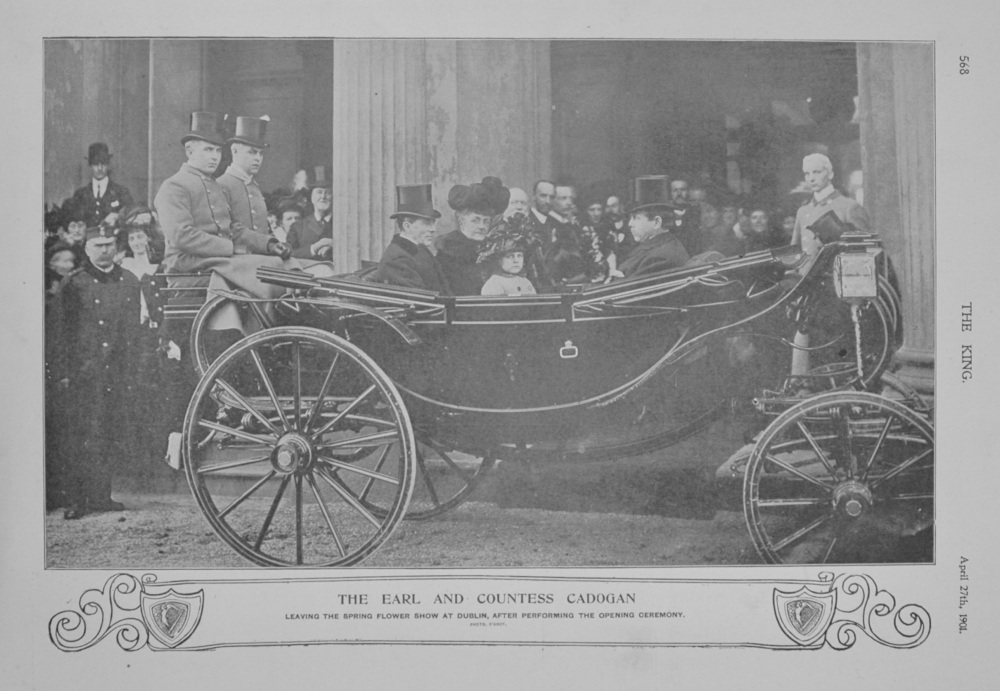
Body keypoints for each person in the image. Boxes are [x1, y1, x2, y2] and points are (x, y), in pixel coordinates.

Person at [153, 111, 295, 333]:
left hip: (215, 261)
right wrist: (229, 248)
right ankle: (262, 331)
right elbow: (182, 235)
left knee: (278, 264)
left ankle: (272, 328)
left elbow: (232, 229)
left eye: (218, 150)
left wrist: (268, 244)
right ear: (189, 151)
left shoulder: (213, 185)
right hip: (188, 266)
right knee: (266, 269)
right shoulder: (174, 186)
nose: (215, 157)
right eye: (208, 150)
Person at [46, 225, 142, 518]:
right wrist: (62, 372)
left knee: (108, 432)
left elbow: (133, 332)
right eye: (97, 245)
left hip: (115, 372)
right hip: (83, 372)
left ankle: (101, 496)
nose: (104, 250)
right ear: (87, 249)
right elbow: (59, 332)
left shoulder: (129, 280)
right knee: (80, 435)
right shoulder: (74, 283)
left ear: (116, 246)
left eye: (109, 244)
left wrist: (132, 370)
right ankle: (76, 500)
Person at [435, 176, 510, 295]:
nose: (482, 226)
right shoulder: (448, 253)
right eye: (475, 220)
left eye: (486, 221)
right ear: (461, 221)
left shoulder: (493, 249)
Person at [791, 153, 871, 259]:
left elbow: (863, 253)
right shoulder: (803, 211)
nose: (811, 178)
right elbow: (794, 251)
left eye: (816, 172)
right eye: (807, 174)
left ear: (830, 174)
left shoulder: (850, 207)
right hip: (806, 270)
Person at [373, 184, 451, 293]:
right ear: (407, 226)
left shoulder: (419, 250)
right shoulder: (397, 261)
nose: (433, 229)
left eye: (433, 223)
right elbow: (420, 301)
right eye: (427, 223)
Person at [615, 176, 689, 279]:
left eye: (636, 218)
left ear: (656, 222)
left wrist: (618, 279)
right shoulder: (660, 246)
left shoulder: (661, 257)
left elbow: (630, 287)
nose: (630, 224)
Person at [218, 115, 272, 235]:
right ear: (234, 151)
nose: (257, 158)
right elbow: (225, 230)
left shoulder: (254, 187)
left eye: (261, 153)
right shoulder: (221, 185)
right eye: (252, 152)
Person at [71, 142, 134, 228]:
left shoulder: (121, 192)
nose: (100, 168)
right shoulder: (80, 195)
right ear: (90, 165)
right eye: (96, 164)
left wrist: (118, 216)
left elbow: (132, 216)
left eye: (103, 163)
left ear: (108, 165)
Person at [478, 214, 539, 296]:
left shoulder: (525, 282)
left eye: (519, 256)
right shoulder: (494, 284)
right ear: (498, 260)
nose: (516, 260)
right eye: (510, 256)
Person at [287, 182, 333, 259]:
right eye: (319, 192)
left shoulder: (342, 225)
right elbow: (289, 254)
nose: (323, 197)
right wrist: (314, 248)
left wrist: (334, 245)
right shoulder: (298, 227)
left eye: (328, 193)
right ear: (312, 198)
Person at [669, 176, 703, 256]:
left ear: (688, 192)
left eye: (682, 190)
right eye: (675, 190)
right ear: (671, 193)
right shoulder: (665, 215)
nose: (679, 194)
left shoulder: (696, 213)